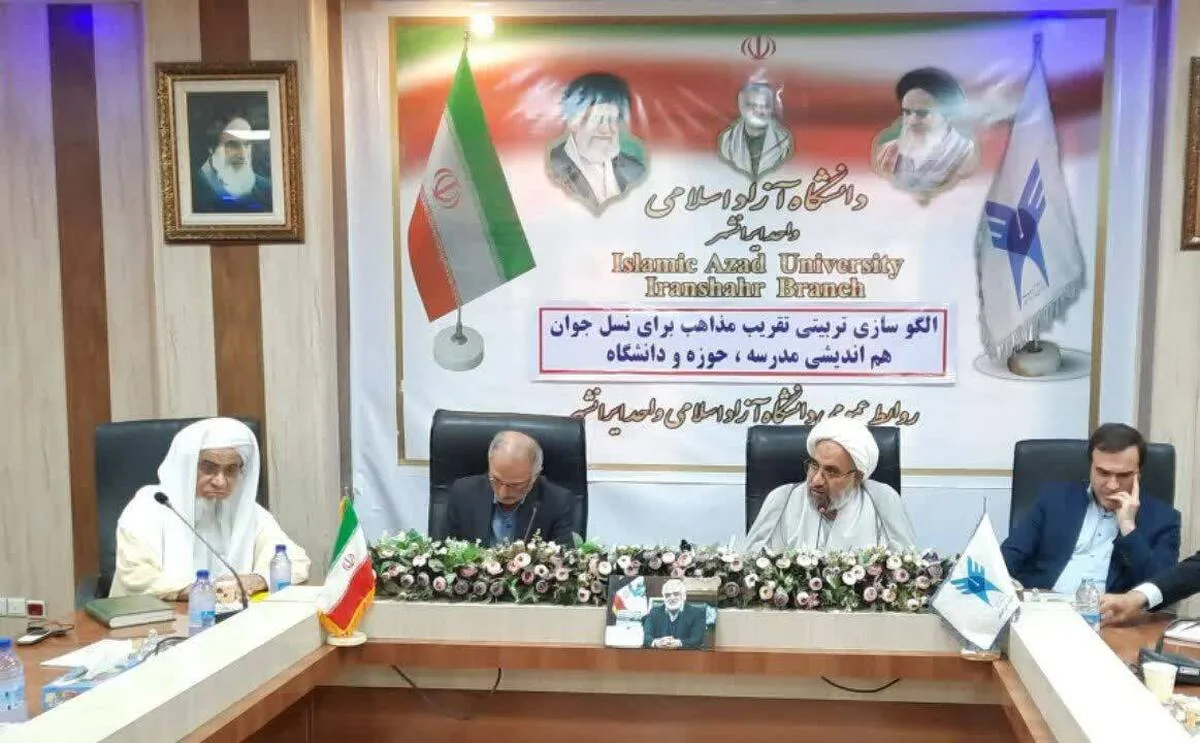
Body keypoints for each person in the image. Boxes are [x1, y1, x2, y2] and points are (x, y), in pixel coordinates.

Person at [110, 418, 310, 603]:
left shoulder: (247, 512)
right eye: (208, 468)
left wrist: (257, 579)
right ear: (187, 467)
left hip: (232, 621)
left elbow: (295, 560)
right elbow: (137, 576)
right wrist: (203, 590)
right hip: (154, 621)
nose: (220, 481)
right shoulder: (150, 505)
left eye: (231, 470)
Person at [1001, 423, 1179, 596]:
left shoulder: (1164, 520)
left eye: (1123, 475)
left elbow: (1161, 590)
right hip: (1043, 604)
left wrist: (1128, 529)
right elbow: (1008, 558)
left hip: (1109, 613)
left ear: (1138, 474)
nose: (1112, 485)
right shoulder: (1053, 499)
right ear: (1091, 467)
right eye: (1103, 473)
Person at [742, 417, 917, 554]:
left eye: (832, 471)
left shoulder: (883, 502)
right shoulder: (781, 500)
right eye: (814, 465)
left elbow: (905, 572)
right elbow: (751, 568)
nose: (816, 481)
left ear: (857, 477)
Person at [437, 430, 576, 546]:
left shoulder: (558, 502)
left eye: (516, 485)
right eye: (496, 480)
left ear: (535, 475)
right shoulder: (463, 492)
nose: (503, 493)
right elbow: (444, 552)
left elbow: (563, 562)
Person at [870, 67, 979, 203]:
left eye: (922, 113)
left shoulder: (964, 153)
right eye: (907, 112)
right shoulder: (887, 152)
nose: (911, 121)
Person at [546, 72, 647, 215]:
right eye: (597, 119)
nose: (606, 129)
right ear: (573, 121)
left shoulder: (636, 172)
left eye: (612, 120)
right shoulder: (548, 170)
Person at [192, 114, 273, 213]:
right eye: (233, 145)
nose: (243, 154)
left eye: (247, 144)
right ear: (212, 148)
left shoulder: (265, 188)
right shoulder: (193, 191)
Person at [717, 81, 794, 180]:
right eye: (753, 106)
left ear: (771, 108)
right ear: (741, 107)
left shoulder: (783, 141)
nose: (759, 111)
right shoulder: (727, 141)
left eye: (765, 106)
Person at [642, 579, 706, 650]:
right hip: (660, 654)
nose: (672, 598)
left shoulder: (697, 614)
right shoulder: (654, 612)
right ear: (664, 597)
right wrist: (656, 643)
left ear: (684, 596)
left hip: (685, 655)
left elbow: (697, 640)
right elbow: (646, 637)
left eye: (676, 594)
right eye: (667, 595)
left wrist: (679, 643)